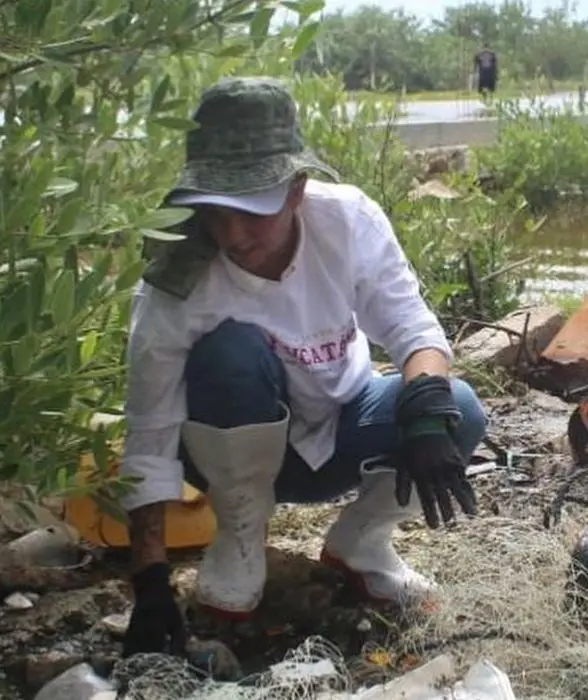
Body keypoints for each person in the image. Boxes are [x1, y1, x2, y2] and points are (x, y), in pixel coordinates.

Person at [118, 76, 488, 657]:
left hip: (344, 426)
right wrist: (150, 582)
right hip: (230, 447)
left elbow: (415, 333)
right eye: (216, 211)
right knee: (230, 353)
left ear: (296, 188)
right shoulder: (175, 281)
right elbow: (149, 435)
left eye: (253, 211)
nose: (233, 235)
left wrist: (423, 416)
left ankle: (360, 544)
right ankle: (241, 534)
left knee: (455, 409)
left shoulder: (346, 221)